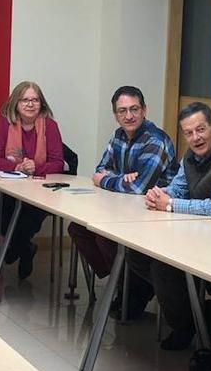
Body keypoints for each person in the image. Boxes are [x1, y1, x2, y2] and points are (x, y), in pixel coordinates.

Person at [67, 86, 178, 319]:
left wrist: (109, 179)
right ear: (115, 115)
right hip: (124, 209)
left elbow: (137, 187)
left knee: (105, 236)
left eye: (134, 109)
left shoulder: (156, 140)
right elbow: (99, 170)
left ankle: (133, 289)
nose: (129, 116)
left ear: (144, 110)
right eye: (122, 111)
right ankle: (124, 281)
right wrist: (121, 177)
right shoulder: (118, 136)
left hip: (156, 215)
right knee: (78, 229)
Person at [142, 101, 211, 350]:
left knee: (166, 268)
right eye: (188, 133)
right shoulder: (190, 156)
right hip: (197, 232)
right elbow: (178, 188)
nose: (196, 138)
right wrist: (159, 194)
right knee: (143, 257)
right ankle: (193, 319)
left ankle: (199, 325)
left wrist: (171, 205)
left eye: (201, 129)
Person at [0, 80, 65, 279]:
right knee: (0, 211)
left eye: (35, 100)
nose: (30, 104)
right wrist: (17, 167)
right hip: (11, 188)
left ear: (41, 103)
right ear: (16, 103)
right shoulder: (6, 124)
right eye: (25, 100)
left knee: (27, 217)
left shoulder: (50, 126)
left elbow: (58, 163)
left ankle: (17, 247)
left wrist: (35, 168)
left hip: (41, 191)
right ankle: (25, 248)